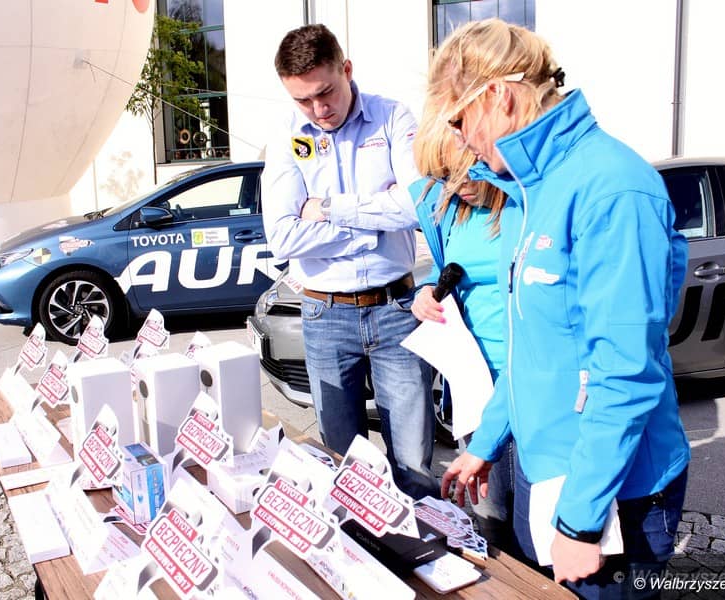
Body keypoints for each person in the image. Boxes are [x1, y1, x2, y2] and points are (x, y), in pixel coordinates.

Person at [432, 19, 690, 598]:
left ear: (497, 96)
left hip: (616, 494)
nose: (460, 141)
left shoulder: (612, 188)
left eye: (458, 121)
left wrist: (580, 520)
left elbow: (625, 370)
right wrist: (485, 443)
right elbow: (531, 353)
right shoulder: (528, 193)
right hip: (553, 475)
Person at [261, 24, 438, 500]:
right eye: (303, 101)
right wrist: (372, 223)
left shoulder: (392, 118)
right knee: (342, 466)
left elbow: (417, 207)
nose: (319, 110)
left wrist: (330, 209)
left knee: (414, 465)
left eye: (326, 92)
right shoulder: (284, 136)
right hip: (325, 315)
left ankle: (425, 543)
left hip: (396, 309)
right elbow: (283, 237)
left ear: (347, 70)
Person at [407, 104, 516, 553]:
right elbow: (446, 269)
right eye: (444, 177)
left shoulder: (525, 208)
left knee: (537, 515)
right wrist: (426, 292)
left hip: (524, 377)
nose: (458, 186)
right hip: (474, 382)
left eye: (464, 171)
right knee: (490, 512)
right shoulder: (452, 209)